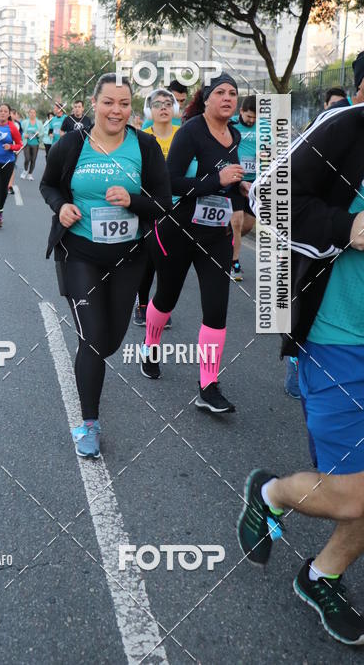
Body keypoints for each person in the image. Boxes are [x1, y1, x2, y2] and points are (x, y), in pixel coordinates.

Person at [237, 59, 364, 646]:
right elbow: (269, 196)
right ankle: (271, 493)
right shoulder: (345, 128)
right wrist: (345, 226)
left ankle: (322, 574)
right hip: (340, 337)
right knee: (353, 490)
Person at [40, 74, 172, 458]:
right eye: (109, 102)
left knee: (111, 341)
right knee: (93, 340)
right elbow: (48, 185)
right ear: (94, 103)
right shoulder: (72, 144)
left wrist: (133, 200)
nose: (117, 110)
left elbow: (164, 201)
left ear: (133, 108)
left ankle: (94, 370)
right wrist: (61, 207)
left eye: (125, 103)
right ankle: (89, 423)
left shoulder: (144, 146)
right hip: (80, 254)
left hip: (129, 257)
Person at [142, 74, 249, 411]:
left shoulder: (236, 136)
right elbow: (170, 182)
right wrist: (215, 179)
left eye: (233, 93)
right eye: (220, 92)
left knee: (216, 309)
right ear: (206, 99)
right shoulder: (190, 132)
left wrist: (239, 188)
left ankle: (208, 384)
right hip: (179, 230)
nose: (228, 98)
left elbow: (228, 184)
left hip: (217, 235)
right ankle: (150, 346)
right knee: (166, 297)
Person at [134, 89, 179, 327]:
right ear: (149, 110)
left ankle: (160, 306)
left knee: (169, 259)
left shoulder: (183, 135)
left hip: (179, 207)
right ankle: (142, 304)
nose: (163, 107)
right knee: (149, 257)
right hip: (149, 205)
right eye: (157, 103)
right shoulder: (141, 137)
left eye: (168, 103)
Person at [229, 95, 257, 281]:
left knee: (246, 226)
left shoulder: (264, 129)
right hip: (234, 179)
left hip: (254, 183)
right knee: (237, 221)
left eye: (255, 117)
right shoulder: (230, 126)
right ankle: (234, 264)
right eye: (249, 116)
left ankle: (225, 244)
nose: (252, 120)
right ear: (241, 112)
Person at [20, 108, 43, 180]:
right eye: (31, 112)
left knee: (33, 159)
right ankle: (25, 171)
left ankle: (30, 174)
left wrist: (38, 134)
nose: (32, 114)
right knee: (27, 159)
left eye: (34, 113)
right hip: (27, 143)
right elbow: (21, 132)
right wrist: (24, 135)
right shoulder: (24, 122)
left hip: (35, 143)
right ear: (28, 114)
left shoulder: (39, 123)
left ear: (35, 114)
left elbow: (42, 132)